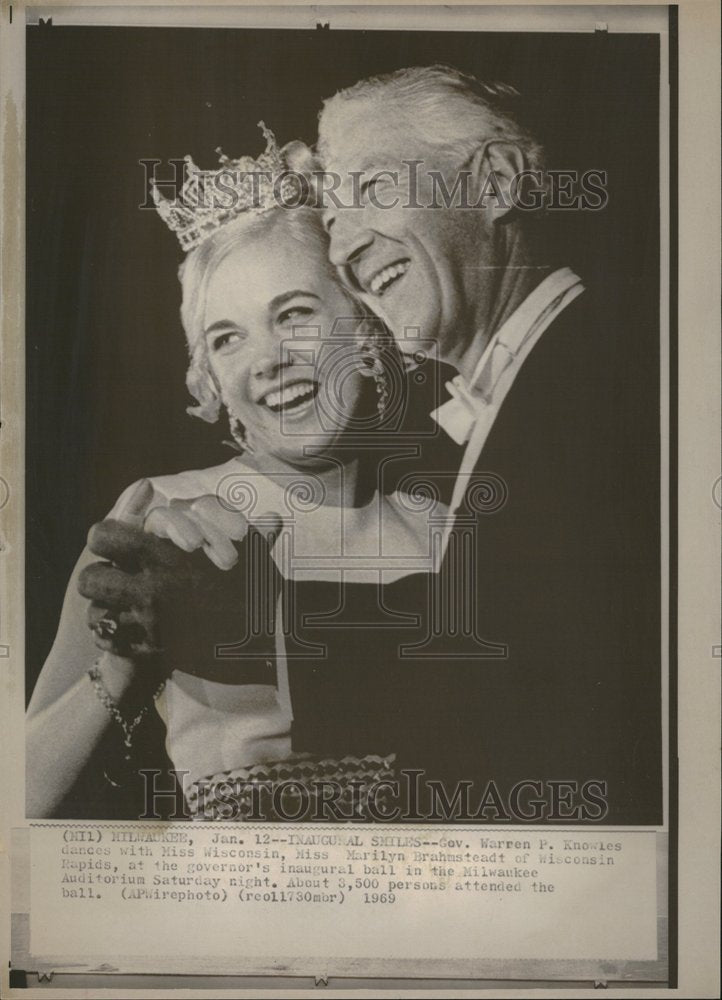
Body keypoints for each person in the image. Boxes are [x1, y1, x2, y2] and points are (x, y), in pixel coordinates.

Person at [26, 128, 451, 821]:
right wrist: (128, 662)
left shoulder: (445, 527)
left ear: (366, 327)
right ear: (212, 377)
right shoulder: (164, 515)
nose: (266, 361)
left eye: (294, 315)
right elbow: (22, 794)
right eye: (227, 338)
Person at [283, 64, 662, 824]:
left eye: (372, 189)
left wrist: (236, 621)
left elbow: (538, 683)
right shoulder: (543, 387)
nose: (343, 248)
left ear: (496, 182)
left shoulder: (617, 384)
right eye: (330, 220)